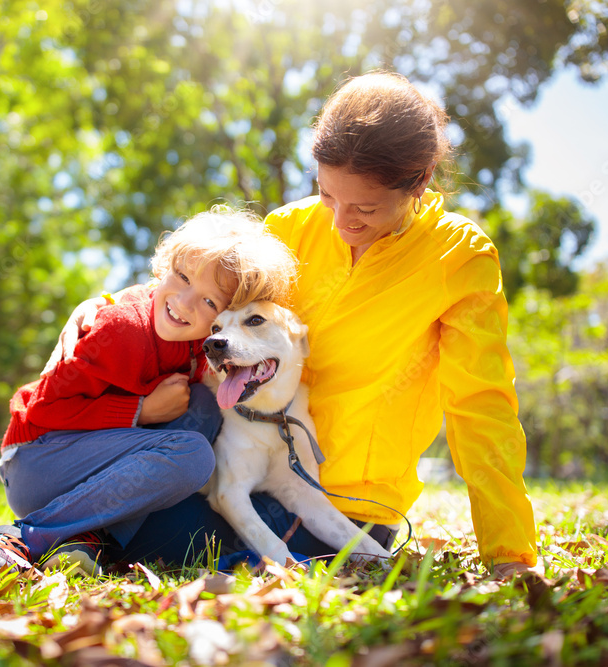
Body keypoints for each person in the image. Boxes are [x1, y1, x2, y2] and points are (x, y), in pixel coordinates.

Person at [43, 71, 538, 577]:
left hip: (344, 504)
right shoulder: (286, 229)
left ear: (420, 181)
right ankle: (62, 536)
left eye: (365, 208)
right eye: (327, 195)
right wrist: (105, 306)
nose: (341, 221)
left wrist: (509, 553)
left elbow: (482, 408)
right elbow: (202, 295)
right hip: (241, 464)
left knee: (171, 535)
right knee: (154, 488)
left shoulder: (458, 256)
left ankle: (78, 537)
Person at [0, 208, 298, 576]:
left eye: (209, 301)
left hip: (93, 466)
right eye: (181, 276)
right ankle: (23, 537)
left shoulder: (200, 345)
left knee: (202, 406)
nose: (183, 302)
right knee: (193, 456)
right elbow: (41, 411)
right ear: (164, 266)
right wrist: (140, 411)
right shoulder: (121, 329)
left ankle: (89, 538)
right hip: (36, 460)